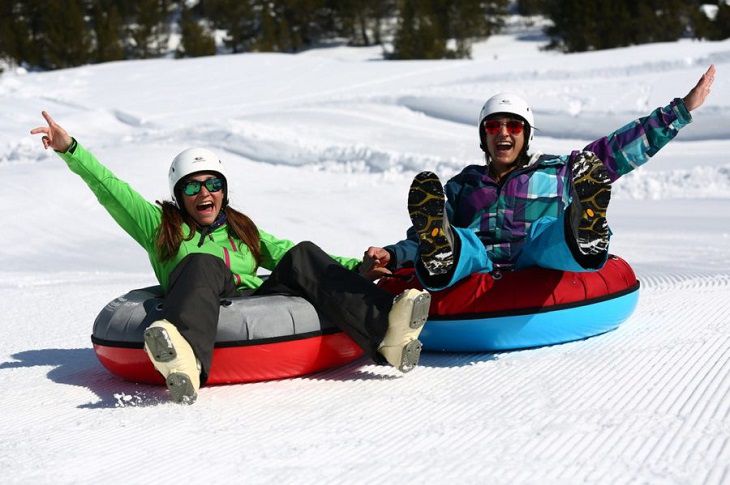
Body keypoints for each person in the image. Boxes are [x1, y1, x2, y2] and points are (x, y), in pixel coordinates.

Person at [31, 113, 431, 404]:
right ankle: (186, 362)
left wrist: (358, 268)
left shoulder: (242, 229)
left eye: (213, 184)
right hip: (200, 295)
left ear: (223, 190)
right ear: (178, 194)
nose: (204, 193)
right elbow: (112, 190)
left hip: (252, 299)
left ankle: (388, 335)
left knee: (303, 251)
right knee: (204, 263)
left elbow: (291, 257)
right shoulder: (160, 226)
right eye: (193, 187)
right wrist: (72, 151)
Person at [363, 65, 716, 290]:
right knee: (461, 242)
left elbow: (617, 150)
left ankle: (583, 231)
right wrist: (393, 256)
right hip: (478, 264)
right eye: (493, 126)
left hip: (535, 260)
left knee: (546, 234)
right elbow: (418, 238)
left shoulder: (558, 171)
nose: (503, 132)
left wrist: (679, 111)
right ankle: (444, 255)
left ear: (526, 134)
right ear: (483, 136)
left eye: (513, 125)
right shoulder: (463, 185)